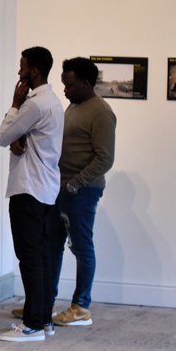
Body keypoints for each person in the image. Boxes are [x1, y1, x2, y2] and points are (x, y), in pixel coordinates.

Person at [0, 46, 63, 342]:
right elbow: (22, 138)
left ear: (33, 70)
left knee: (29, 257)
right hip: (47, 187)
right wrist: (18, 138)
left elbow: (2, 136)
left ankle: (33, 324)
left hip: (29, 188)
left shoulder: (33, 104)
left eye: (22, 65)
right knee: (42, 256)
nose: (18, 69)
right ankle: (44, 319)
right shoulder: (53, 101)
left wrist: (14, 104)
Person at [49, 57, 116, 327]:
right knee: (52, 245)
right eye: (64, 84)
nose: (65, 90)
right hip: (62, 188)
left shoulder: (101, 112)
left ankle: (81, 306)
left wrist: (75, 183)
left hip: (82, 191)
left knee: (81, 247)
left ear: (87, 83)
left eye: (71, 85)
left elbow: (105, 158)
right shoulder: (74, 106)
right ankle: (44, 301)